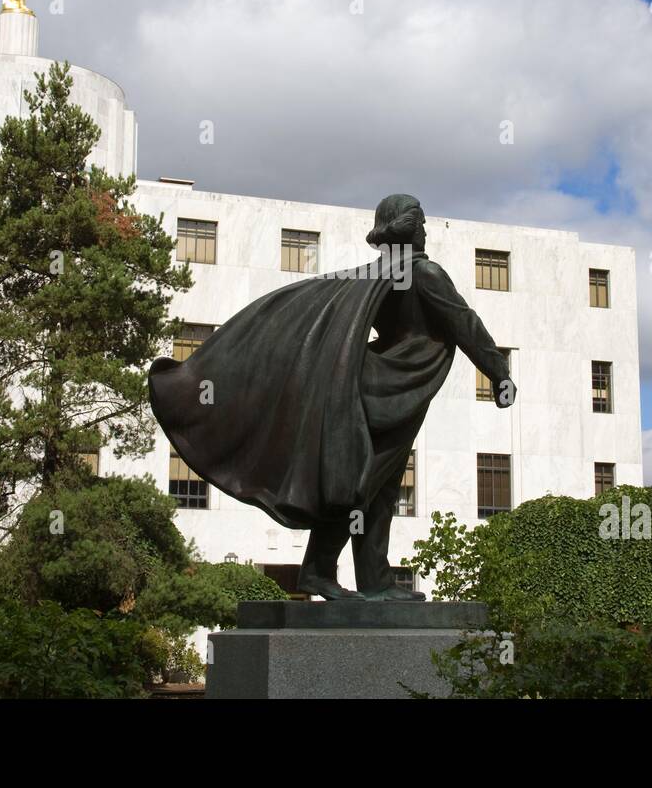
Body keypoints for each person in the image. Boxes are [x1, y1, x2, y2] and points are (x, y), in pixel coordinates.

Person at [149, 194, 515, 600]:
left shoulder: (375, 275)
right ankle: (324, 572)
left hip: (385, 386)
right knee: (364, 483)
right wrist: (499, 374)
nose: (427, 230)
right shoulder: (424, 273)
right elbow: (465, 324)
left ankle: (369, 580)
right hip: (391, 387)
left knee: (377, 487)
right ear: (409, 226)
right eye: (422, 222)